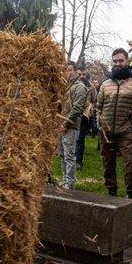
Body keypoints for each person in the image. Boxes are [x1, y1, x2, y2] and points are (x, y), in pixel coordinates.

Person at [96, 48, 132, 199]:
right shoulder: (106, 83)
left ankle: (130, 194)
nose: (118, 64)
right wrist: (99, 126)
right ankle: (111, 191)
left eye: (121, 61)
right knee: (107, 162)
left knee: (129, 164)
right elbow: (97, 106)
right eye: (115, 61)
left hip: (126, 131)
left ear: (127, 61)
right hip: (106, 131)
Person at [58, 61, 88, 190]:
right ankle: (65, 179)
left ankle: (69, 183)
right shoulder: (66, 86)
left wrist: (65, 123)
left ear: (75, 71)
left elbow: (77, 108)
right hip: (61, 125)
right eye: (65, 70)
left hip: (71, 125)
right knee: (62, 154)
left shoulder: (79, 87)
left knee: (69, 155)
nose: (67, 73)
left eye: (70, 70)